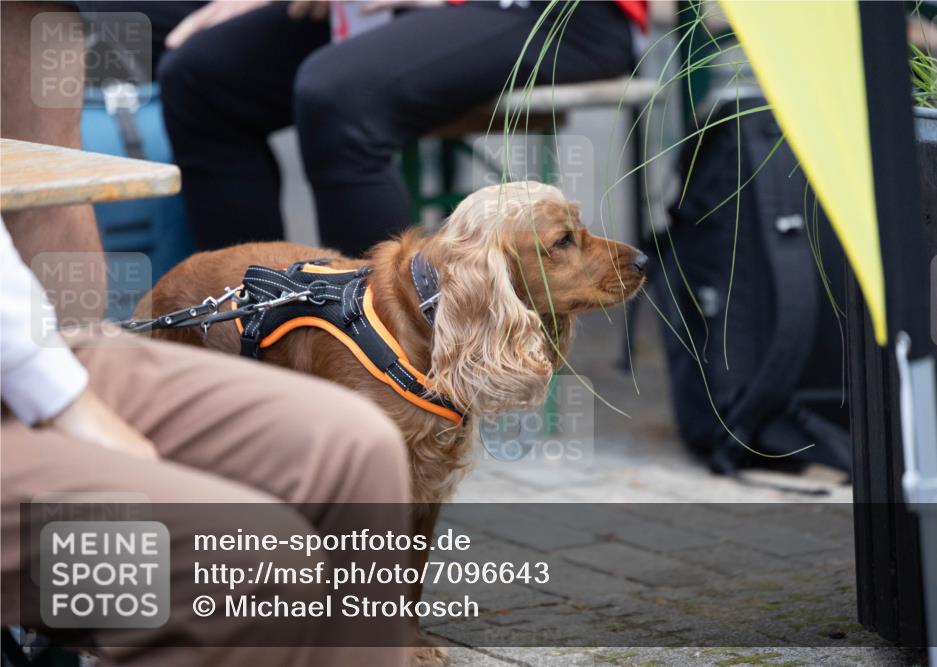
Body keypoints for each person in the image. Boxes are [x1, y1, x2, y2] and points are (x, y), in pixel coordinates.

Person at [1, 4, 409, 664]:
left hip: (28, 336)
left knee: (360, 447)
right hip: (28, 363)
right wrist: (65, 401)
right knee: (255, 560)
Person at [158, 0, 646, 255]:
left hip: (562, 12)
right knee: (201, 76)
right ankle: (256, 326)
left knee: (340, 94)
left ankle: (381, 361)